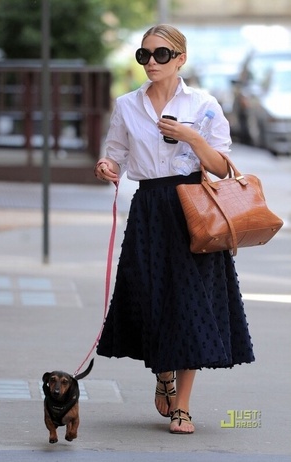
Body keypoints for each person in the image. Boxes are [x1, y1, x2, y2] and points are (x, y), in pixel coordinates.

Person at [94, 24, 255, 435]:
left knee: (190, 306)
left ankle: (182, 406)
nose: (151, 62)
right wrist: (108, 167)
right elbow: (116, 155)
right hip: (148, 209)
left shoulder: (203, 104)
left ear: (180, 59)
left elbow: (221, 167)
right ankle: (162, 373)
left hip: (193, 209)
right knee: (152, 299)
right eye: (144, 55)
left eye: (160, 54)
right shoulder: (127, 105)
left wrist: (190, 137)